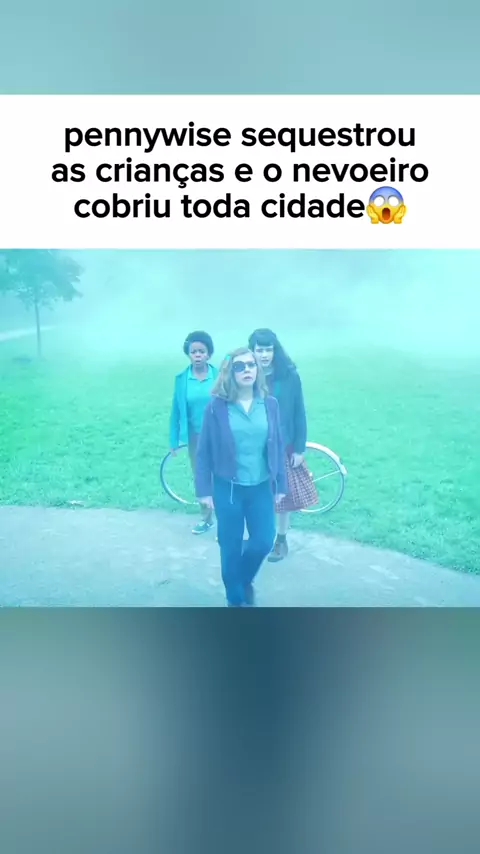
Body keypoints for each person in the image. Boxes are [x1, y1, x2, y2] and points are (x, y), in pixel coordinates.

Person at [195, 348, 287, 607]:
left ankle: (242, 581)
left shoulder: (270, 404)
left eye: (251, 365)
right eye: (239, 366)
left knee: (263, 541)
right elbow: (203, 452)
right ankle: (235, 600)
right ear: (230, 373)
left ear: (257, 370)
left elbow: (277, 446)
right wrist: (204, 490)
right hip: (228, 489)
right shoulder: (216, 408)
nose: (247, 370)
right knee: (230, 546)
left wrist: (281, 483)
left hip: (260, 487)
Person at [248, 328, 317, 562]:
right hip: (254, 446)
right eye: (259, 350)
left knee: (282, 496)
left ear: (274, 350)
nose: (264, 355)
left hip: (282, 444)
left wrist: (299, 448)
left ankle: (281, 539)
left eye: (268, 350)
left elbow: (299, 412)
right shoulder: (245, 374)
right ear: (252, 351)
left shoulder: (289, 376)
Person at [169, 331, 218, 535]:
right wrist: (173, 440)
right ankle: (206, 519)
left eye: (202, 351)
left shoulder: (220, 375)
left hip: (220, 435)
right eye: (194, 351)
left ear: (209, 354)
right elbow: (176, 410)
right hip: (196, 437)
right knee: (201, 476)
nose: (198, 355)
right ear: (188, 354)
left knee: (222, 476)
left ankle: (226, 518)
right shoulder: (182, 379)